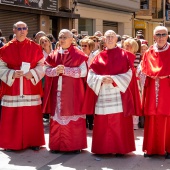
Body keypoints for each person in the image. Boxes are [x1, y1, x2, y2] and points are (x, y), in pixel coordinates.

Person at [82, 30, 141, 155]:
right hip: (103, 93)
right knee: (103, 122)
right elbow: (91, 74)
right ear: (104, 39)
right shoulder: (98, 56)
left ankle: (121, 149)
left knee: (119, 122)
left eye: (112, 37)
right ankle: (104, 149)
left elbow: (130, 73)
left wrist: (114, 79)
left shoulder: (125, 55)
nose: (109, 39)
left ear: (116, 39)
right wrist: (101, 79)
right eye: (107, 37)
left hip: (119, 93)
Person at [0, 21, 45, 151]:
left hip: (30, 87)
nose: (22, 31)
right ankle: (10, 143)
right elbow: (1, 67)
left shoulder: (35, 47)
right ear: (14, 30)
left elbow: (42, 65)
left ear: (27, 30)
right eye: (19, 28)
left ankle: (34, 142)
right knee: (12, 116)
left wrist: (33, 73)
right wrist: (12, 73)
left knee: (32, 117)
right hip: (12, 88)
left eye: (24, 28)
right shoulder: (5, 49)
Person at [43, 29, 88, 153]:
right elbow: (45, 69)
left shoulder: (79, 54)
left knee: (72, 115)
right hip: (57, 92)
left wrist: (66, 70)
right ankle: (56, 145)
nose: (61, 40)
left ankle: (74, 146)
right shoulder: (54, 54)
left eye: (64, 37)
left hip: (73, 92)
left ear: (71, 39)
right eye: (60, 37)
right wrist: (54, 71)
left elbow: (84, 72)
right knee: (57, 116)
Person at [140, 26, 170, 159]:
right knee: (152, 118)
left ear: (168, 36)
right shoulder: (148, 53)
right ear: (154, 37)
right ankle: (150, 149)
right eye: (158, 34)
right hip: (152, 89)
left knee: (167, 119)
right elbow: (141, 70)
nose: (161, 37)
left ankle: (168, 149)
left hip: (167, 89)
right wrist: (147, 74)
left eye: (164, 34)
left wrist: (167, 75)